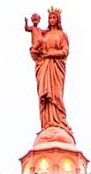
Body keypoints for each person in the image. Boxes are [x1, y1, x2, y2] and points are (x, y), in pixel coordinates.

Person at [25, 7, 73, 138]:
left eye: (54, 18)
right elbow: (37, 47)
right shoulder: (44, 34)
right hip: (44, 67)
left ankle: (59, 121)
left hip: (56, 67)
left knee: (56, 95)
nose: (52, 20)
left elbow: (65, 51)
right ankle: (46, 123)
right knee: (44, 97)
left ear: (58, 20)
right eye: (50, 18)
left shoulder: (62, 35)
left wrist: (50, 53)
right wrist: (35, 51)